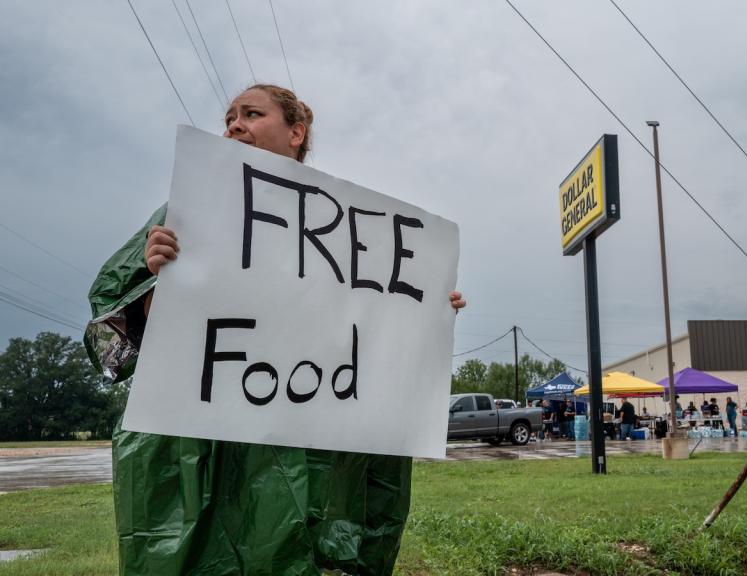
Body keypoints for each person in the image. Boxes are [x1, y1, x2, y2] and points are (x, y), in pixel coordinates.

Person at [85, 84, 466, 576]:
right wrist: (157, 278)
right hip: (210, 445)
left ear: (296, 133)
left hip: (312, 444)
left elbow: (368, 331)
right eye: (229, 117)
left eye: (251, 113)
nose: (234, 125)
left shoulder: (349, 226)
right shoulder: (188, 208)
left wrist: (427, 310)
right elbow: (119, 338)